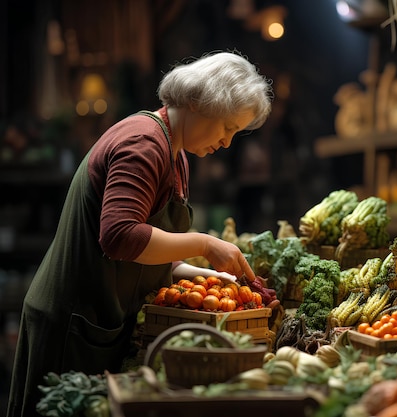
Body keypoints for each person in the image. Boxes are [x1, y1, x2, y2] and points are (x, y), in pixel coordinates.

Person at [7, 50, 273, 417]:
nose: (227, 142)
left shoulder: (175, 152)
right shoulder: (143, 144)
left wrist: (209, 275)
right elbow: (120, 237)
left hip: (98, 319)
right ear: (199, 103)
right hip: (71, 324)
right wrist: (205, 243)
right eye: (228, 127)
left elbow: (147, 248)